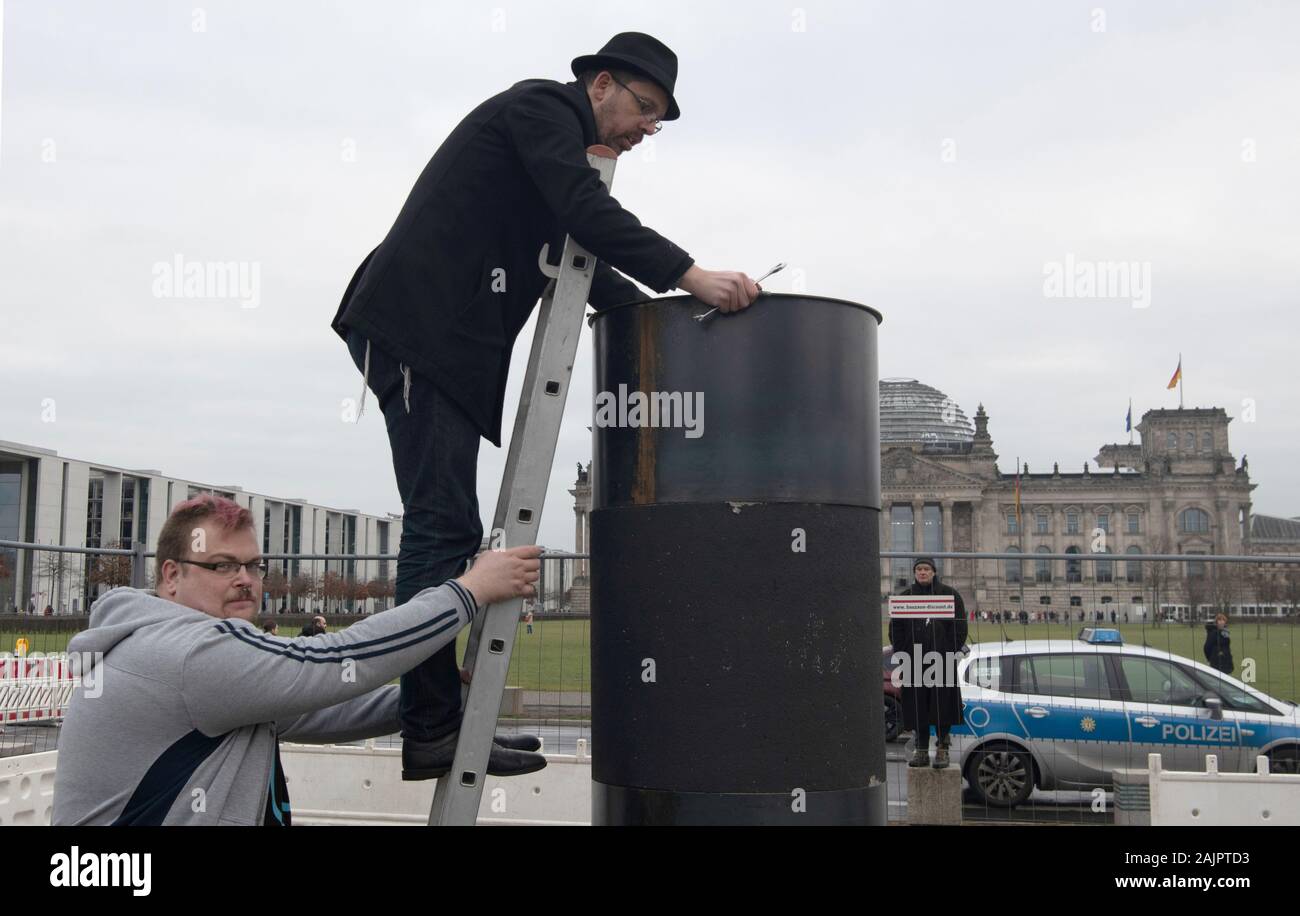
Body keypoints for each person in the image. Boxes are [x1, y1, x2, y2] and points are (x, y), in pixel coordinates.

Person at [330, 32, 761, 782]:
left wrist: (658, 323)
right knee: (442, 525)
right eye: (646, 108)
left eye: (659, 119)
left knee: (451, 526)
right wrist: (693, 276)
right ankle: (429, 726)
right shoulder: (541, 110)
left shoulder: (555, 161)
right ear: (600, 86)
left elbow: (583, 263)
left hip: (447, 349)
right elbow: (587, 218)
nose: (648, 129)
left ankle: (442, 722)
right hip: (416, 331)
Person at [52, 494, 541, 825]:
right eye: (222, 565)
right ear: (172, 575)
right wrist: (470, 590)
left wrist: (432, 701)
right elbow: (333, 659)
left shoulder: (175, 654)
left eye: (252, 565)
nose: (245, 578)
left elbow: (315, 708)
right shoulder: (193, 654)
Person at [888, 558, 968, 769]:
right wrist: (904, 654)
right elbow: (895, 630)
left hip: (941, 660)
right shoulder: (905, 597)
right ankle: (921, 749)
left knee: (943, 705)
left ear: (934, 572)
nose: (922, 573)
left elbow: (960, 629)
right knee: (917, 705)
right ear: (915, 573)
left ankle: (942, 748)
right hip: (913, 661)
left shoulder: (950, 595)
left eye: (926, 569)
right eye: (918, 569)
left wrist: (947, 651)